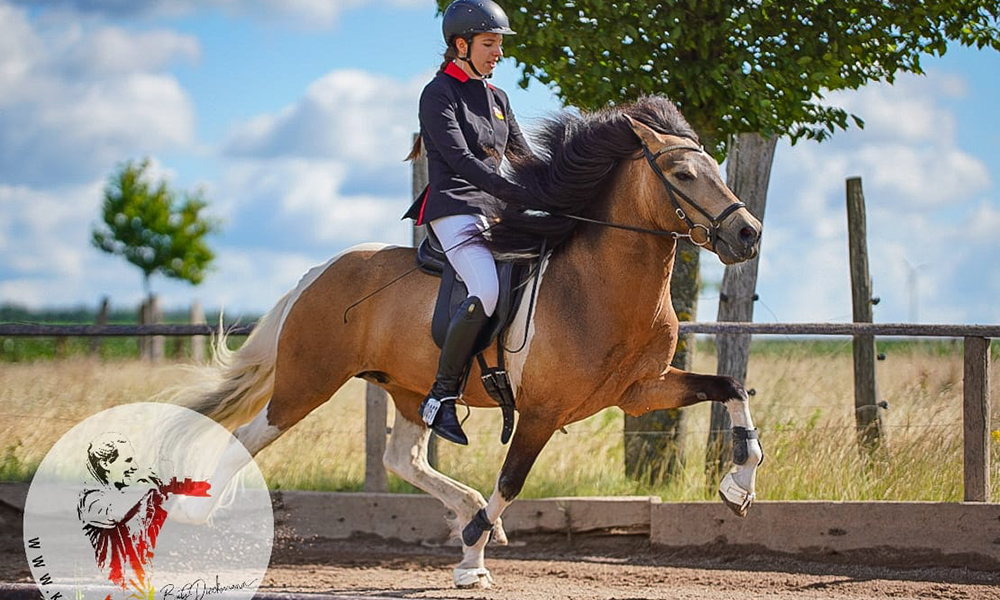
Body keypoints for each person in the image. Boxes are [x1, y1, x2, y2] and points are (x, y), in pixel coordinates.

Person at [403, 0, 533, 445]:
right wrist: (513, 192)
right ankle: (441, 397)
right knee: (487, 289)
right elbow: (458, 159)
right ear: (461, 45)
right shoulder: (438, 93)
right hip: (455, 208)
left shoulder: (499, 98)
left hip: (494, 211)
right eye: (489, 43)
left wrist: (558, 188)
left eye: (499, 44)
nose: (498, 52)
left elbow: (522, 156)